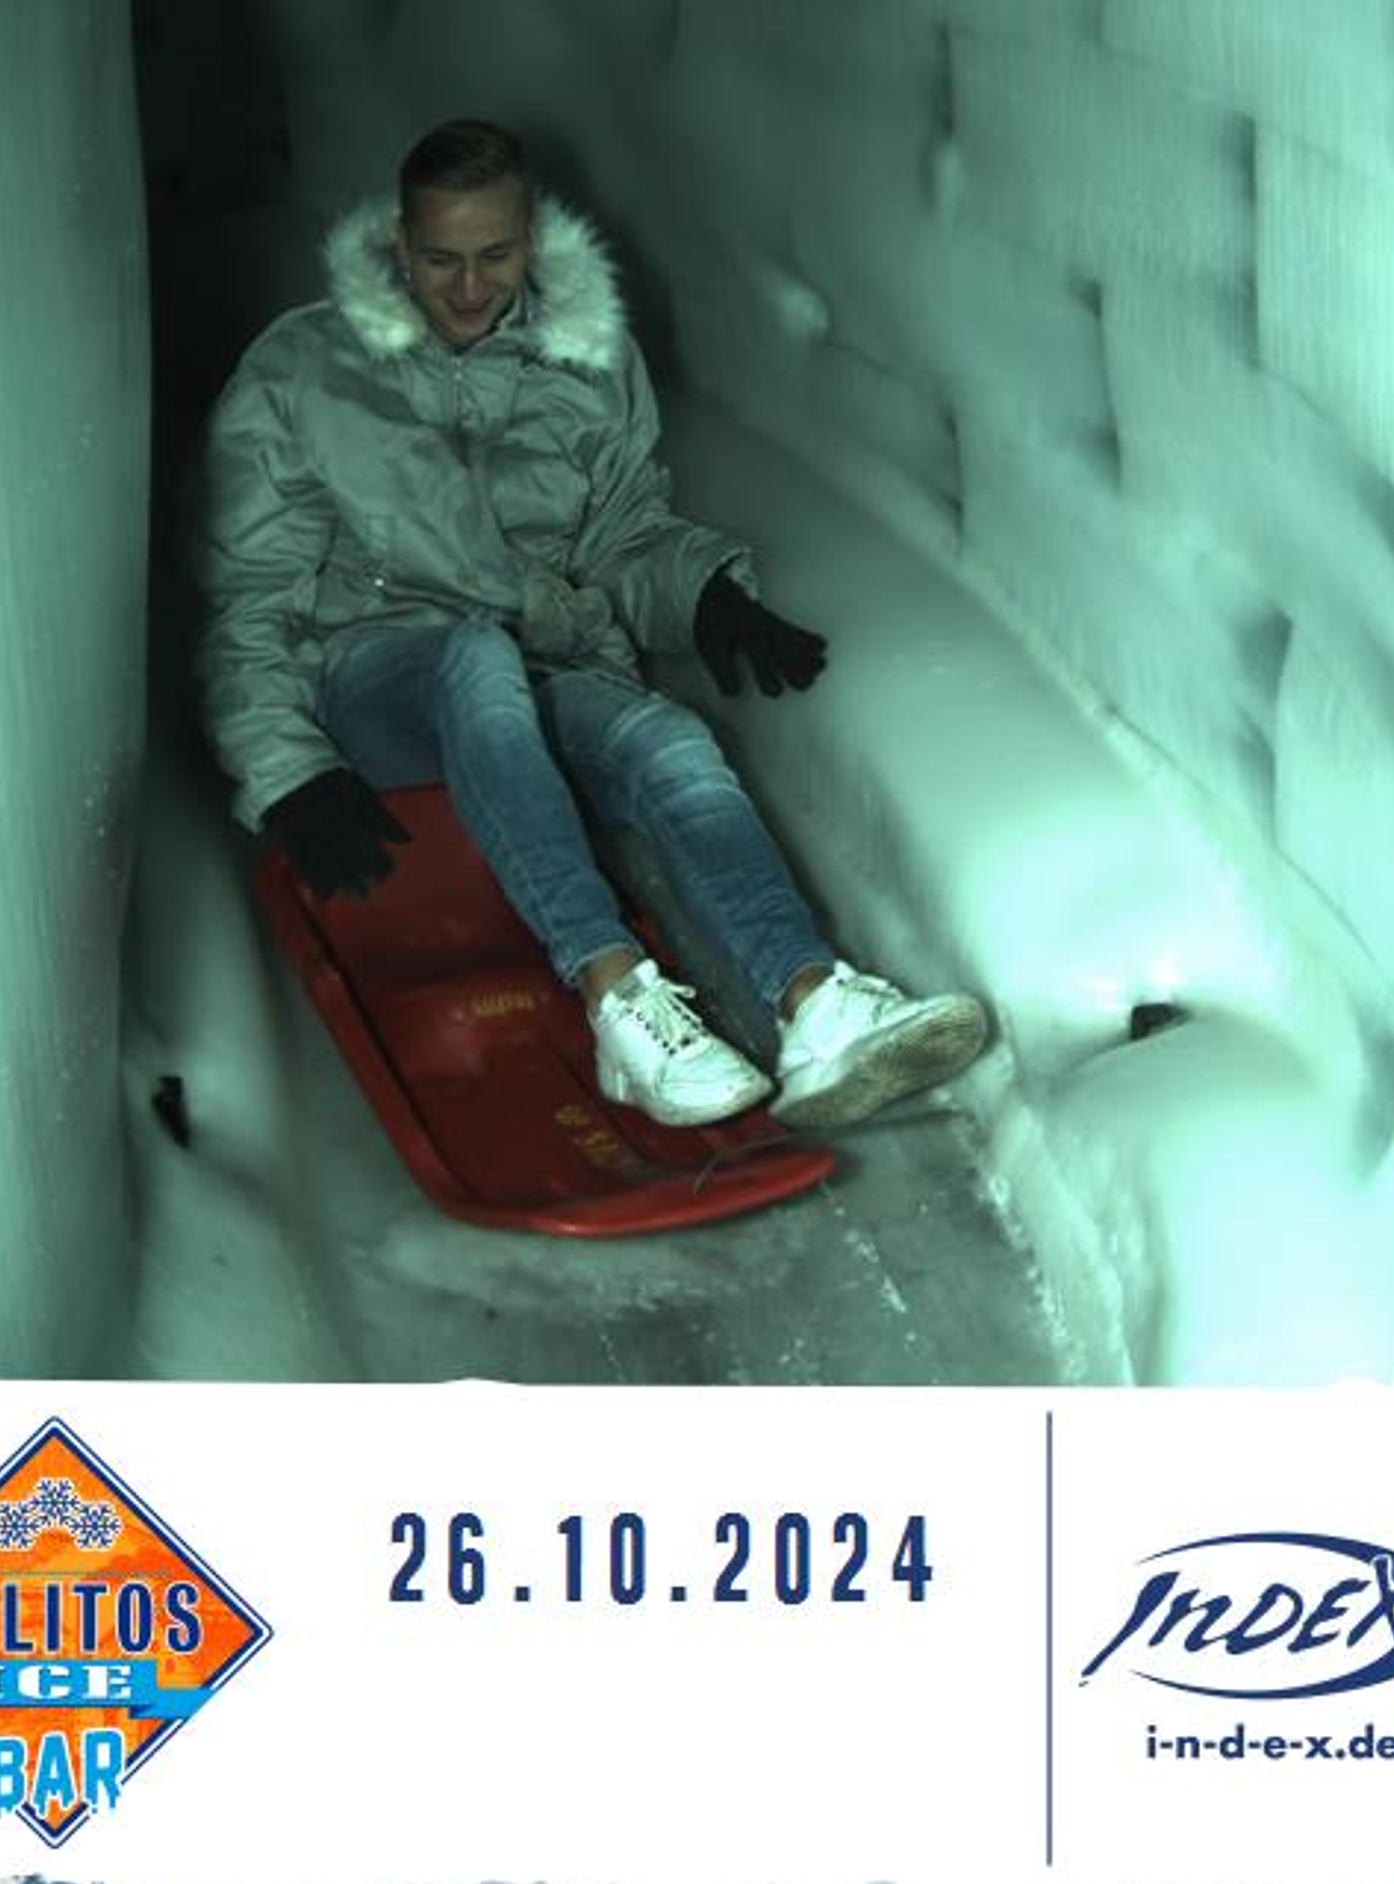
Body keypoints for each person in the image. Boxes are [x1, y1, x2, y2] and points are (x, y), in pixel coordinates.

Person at [197, 119, 988, 1129]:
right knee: (473, 658)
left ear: (531, 237)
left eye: (494, 256)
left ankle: (813, 1003)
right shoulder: (303, 370)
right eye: (439, 259)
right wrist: (287, 769)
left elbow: (620, 537)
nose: (468, 287)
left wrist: (702, 593)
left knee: (666, 737)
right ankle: (616, 999)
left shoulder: (587, 360)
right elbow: (248, 595)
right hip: (372, 678)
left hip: (538, 662)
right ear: (399, 242)